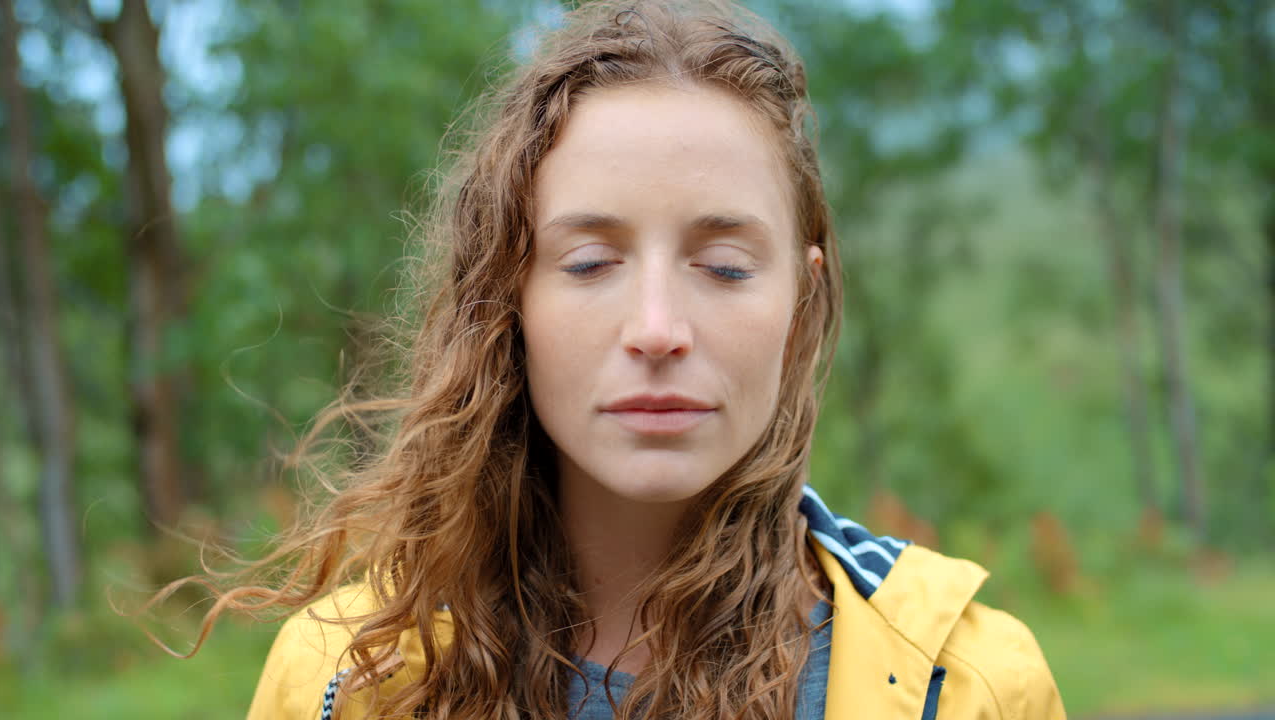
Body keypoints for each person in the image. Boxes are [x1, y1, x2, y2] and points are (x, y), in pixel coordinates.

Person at [190, 1, 1067, 718]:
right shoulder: (345, 679)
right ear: (507, 301)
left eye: (724, 267)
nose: (657, 328)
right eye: (589, 263)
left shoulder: (970, 687)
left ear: (801, 305)